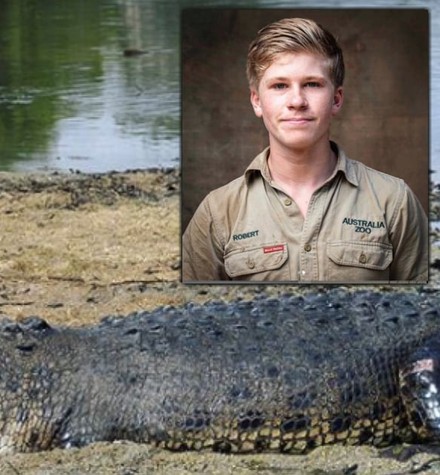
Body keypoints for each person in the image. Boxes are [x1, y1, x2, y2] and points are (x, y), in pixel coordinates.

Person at [181, 18, 428, 282]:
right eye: (279, 86)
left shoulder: (394, 201)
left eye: (312, 84)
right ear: (257, 101)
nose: (297, 101)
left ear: (336, 99)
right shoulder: (218, 211)